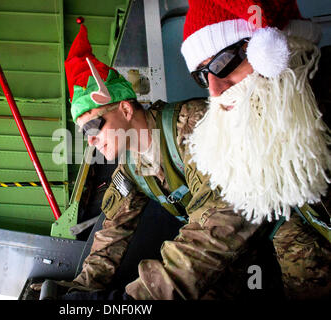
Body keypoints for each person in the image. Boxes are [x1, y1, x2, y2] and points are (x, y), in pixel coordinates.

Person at [29, 0, 331, 299]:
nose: (90, 140)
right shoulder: (133, 170)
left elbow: (218, 224)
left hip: (269, 231)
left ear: (124, 108)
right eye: (84, 134)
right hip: (221, 251)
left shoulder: (195, 127)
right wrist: (80, 290)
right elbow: (111, 236)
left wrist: (131, 301)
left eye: (93, 127)